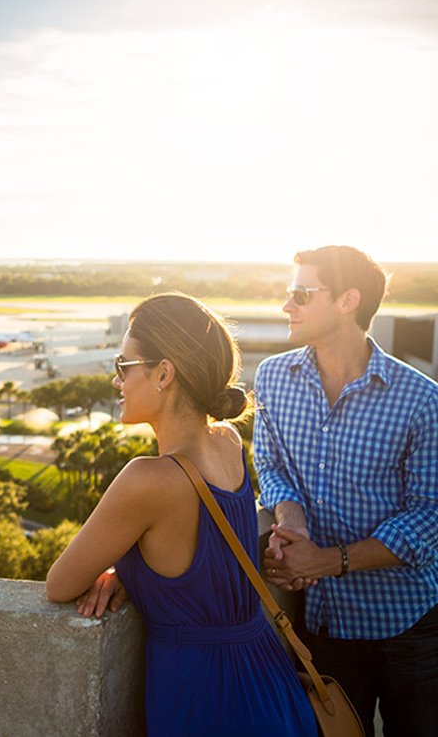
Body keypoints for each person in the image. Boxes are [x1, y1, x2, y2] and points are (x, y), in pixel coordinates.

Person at [46, 292, 316, 737]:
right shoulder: (228, 442)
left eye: (123, 367)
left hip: (205, 696)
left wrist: (125, 569)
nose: (117, 382)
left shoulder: (147, 479)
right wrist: (135, 573)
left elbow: (60, 585)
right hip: (268, 675)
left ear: (164, 373)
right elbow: (200, 551)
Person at [256, 245, 438, 736]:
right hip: (324, 624)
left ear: (347, 300)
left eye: (300, 294)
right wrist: (289, 519)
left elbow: (429, 517)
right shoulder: (273, 378)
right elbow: (268, 464)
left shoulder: (422, 400)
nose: (286, 306)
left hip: (409, 625)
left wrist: (328, 560)